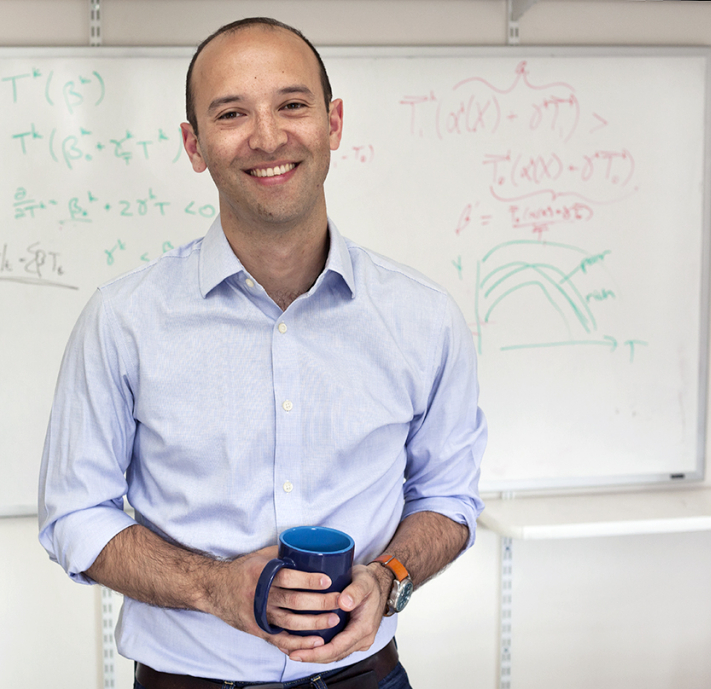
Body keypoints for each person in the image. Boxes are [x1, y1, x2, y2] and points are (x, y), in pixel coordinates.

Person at [38, 17, 487, 689]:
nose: (269, 137)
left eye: (292, 105)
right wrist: (217, 585)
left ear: (333, 123)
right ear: (194, 145)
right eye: (231, 113)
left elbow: (448, 496)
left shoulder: (424, 319)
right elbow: (74, 514)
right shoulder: (123, 320)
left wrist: (389, 577)